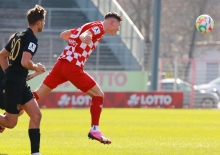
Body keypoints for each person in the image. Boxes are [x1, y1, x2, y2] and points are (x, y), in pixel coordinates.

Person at [31, 11, 123, 144]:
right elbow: (88, 34)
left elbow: (64, 35)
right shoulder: (99, 28)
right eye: (118, 26)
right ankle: (95, 130)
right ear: (112, 22)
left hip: (61, 64)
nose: (118, 29)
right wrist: (84, 37)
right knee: (98, 95)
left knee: (37, 94)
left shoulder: (89, 25)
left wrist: (79, 37)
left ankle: (8, 116)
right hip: (73, 66)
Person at [0, 5, 46, 155]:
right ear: (39, 22)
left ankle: (35, 153)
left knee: (36, 115)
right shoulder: (32, 39)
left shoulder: (18, 35)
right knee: (11, 122)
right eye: (43, 21)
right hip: (15, 84)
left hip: (18, 83)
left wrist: (8, 72)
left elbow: (2, 55)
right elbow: (25, 62)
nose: (44, 24)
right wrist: (36, 67)